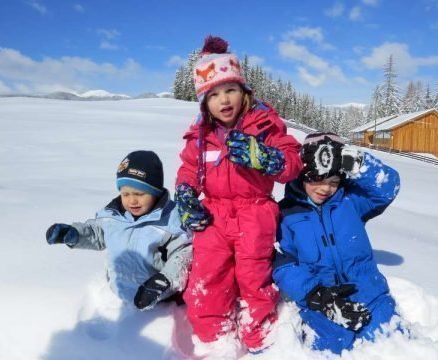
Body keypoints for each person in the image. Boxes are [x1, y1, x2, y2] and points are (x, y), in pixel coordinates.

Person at [175, 35, 303, 354]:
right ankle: (214, 333)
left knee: (252, 273)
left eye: (230, 89)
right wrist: (186, 193)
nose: (224, 100)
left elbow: (291, 163)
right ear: (205, 102)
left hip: (255, 213)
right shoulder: (200, 138)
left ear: (244, 92)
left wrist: (265, 157)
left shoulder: (264, 126)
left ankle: (258, 331)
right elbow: (189, 169)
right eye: (214, 94)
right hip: (213, 215)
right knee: (208, 273)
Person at [272, 132, 401, 354]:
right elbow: (283, 263)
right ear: (302, 175)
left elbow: (387, 187)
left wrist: (352, 159)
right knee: (329, 349)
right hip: (322, 302)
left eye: (333, 182)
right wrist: (316, 295)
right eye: (317, 180)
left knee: (396, 347)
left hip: (371, 295)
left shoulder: (351, 202)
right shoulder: (286, 213)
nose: (325, 189)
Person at [46, 150, 192, 311]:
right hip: (118, 297)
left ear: (155, 192)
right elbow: (97, 233)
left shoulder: (170, 221)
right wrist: (74, 234)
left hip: (158, 302)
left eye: (139, 193)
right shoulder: (112, 216)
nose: (132, 200)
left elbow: (183, 254)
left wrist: (164, 281)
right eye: (125, 194)